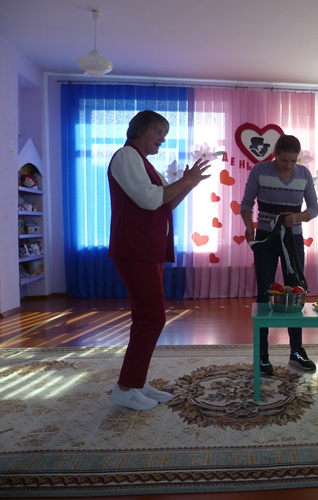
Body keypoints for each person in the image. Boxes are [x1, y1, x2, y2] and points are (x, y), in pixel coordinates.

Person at [108, 110, 211, 410]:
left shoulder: (143, 163)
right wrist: (185, 180)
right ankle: (125, 387)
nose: (162, 139)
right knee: (153, 317)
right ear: (139, 130)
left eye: (163, 134)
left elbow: (166, 201)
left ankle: (135, 382)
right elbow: (151, 199)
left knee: (144, 317)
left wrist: (188, 184)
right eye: (157, 131)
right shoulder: (126, 156)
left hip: (146, 249)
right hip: (135, 248)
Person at [241, 134, 318, 375]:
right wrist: (249, 226)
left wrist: (297, 217)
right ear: (275, 155)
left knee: (295, 294)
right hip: (265, 238)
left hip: (293, 240)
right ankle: (262, 355)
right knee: (265, 293)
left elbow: (314, 209)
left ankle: (296, 352)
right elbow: (246, 204)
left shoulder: (304, 174)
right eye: (284, 160)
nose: (289, 165)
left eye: (293, 161)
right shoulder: (259, 171)